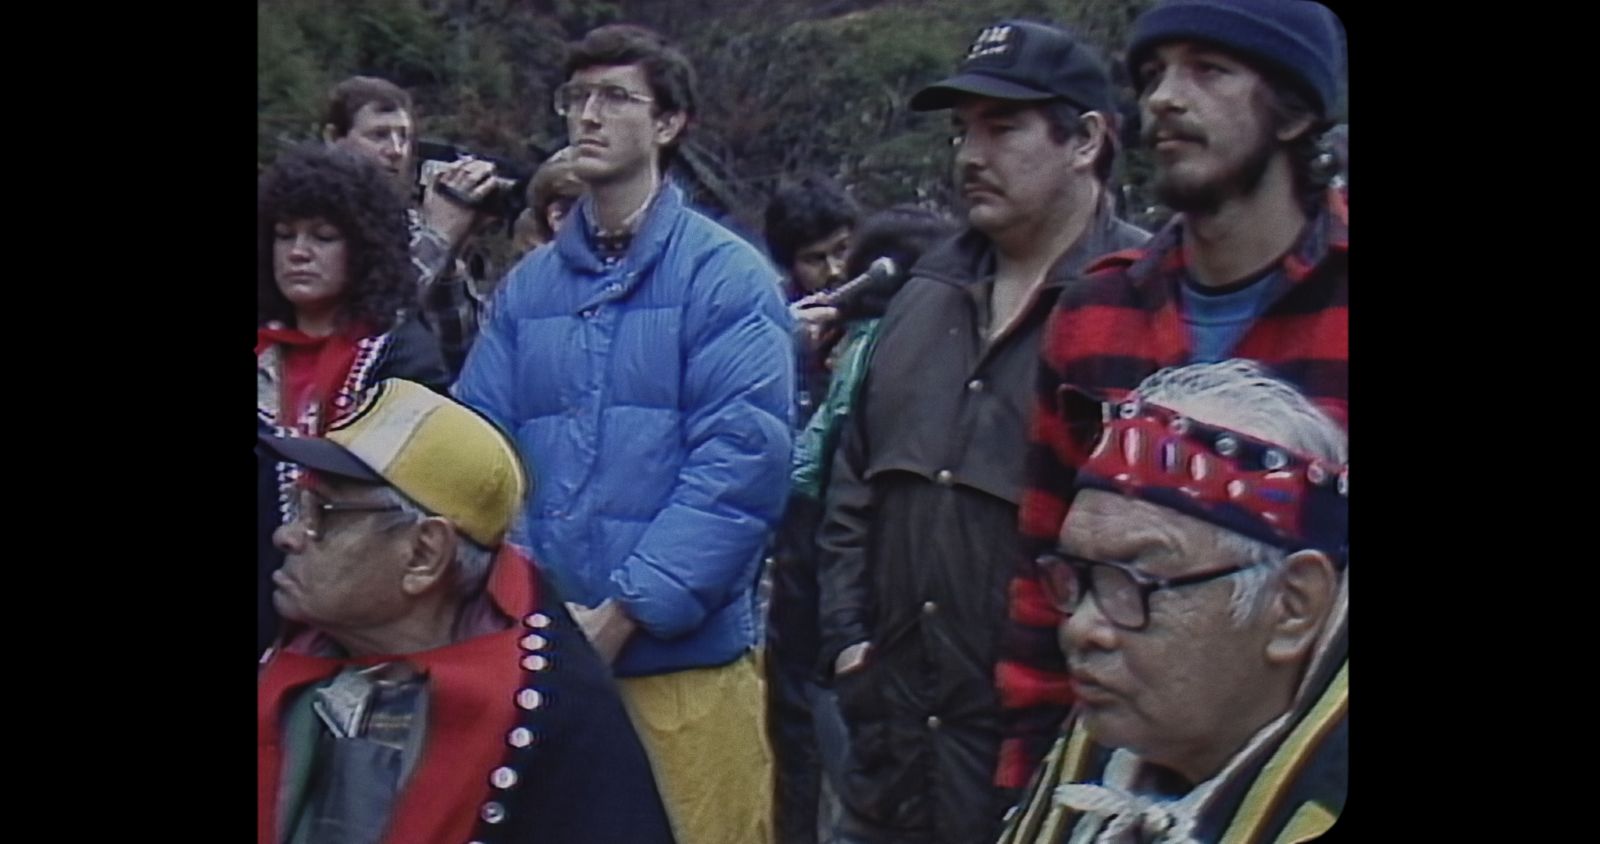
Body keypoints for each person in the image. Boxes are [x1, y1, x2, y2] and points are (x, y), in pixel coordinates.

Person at [453, 23, 793, 844]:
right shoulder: (530, 289)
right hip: (542, 658)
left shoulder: (726, 276)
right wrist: (531, 604)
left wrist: (625, 611)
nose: (588, 116)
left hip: (682, 665)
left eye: (615, 97)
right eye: (576, 97)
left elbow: (740, 468)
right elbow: (478, 453)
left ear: (668, 123)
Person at [997, 0, 1349, 791]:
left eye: (1209, 71)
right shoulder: (1095, 313)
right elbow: (1044, 567)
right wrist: (1032, 787)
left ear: (1295, 112)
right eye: (1153, 74)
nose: (1163, 99)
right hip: (1116, 781)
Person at [815, 19, 1148, 844]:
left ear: (1085, 141)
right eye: (963, 130)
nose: (970, 154)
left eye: (1003, 128)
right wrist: (849, 643)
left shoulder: (1141, 306)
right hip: (890, 756)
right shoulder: (922, 295)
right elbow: (851, 484)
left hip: (1053, 766)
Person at [256, 378, 676, 844]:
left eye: (323, 515)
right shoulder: (302, 651)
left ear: (424, 555)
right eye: (297, 508)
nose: (286, 536)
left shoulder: (561, 726)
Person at [997, 360, 1346, 844]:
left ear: (1293, 606)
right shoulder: (1106, 751)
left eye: (1139, 579)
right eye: (1078, 576)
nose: (1081, 628)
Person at [257, 144, 449, 655]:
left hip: (361, 626)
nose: (298, 252)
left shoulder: (401, 358)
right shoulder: (261, 350)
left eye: (323, 237)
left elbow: (415, 508)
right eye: (284, 235)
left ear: (364, 247)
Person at [322, 75, 499, 377]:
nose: (396, 150)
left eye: (404, 137)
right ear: (333, 138)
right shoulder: (308, 222)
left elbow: (461, 351)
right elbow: (370, 323)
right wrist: (438, 237)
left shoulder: (408, 221)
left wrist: (451, 261)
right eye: (379, 135)